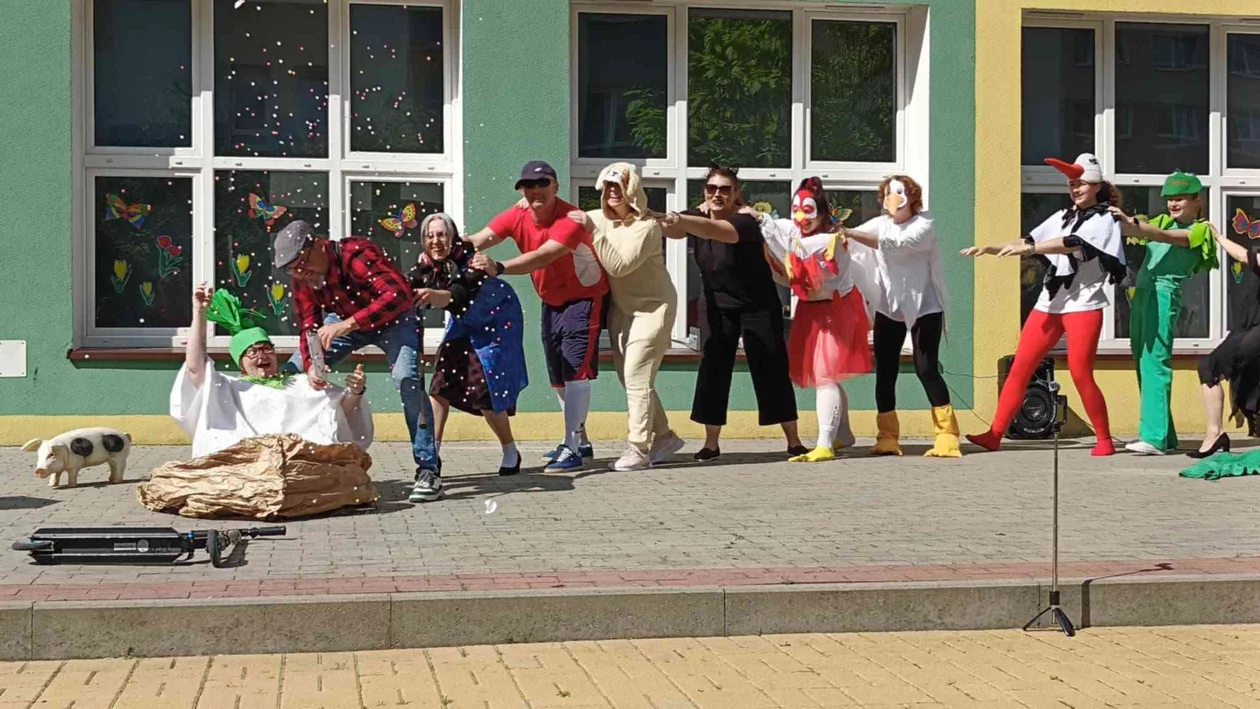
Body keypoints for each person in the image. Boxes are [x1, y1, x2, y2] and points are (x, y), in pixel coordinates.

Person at [962, 153, 1127, 456]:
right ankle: (994, 434)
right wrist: (991, 247)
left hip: (1084, 304)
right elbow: (1027, 241)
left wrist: (1030, 249)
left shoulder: (1106, 219)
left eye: (1081, 183)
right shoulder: (1063, 216)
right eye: (1072, 184)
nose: (1075, 189)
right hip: (1050, 302)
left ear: (1096, 185)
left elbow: (1071, 243)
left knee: (1080, 372)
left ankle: (1104, 439)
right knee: (1020, 368)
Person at [271, 220, 442, 502]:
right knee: (293, 372)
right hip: (346, 321)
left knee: (407, 379)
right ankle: (288, 460)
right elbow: (309, 326)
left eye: (302, 264)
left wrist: (347, 324)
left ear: (318, 245)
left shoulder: (355, 254)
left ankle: (428, 468)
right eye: (292, 269)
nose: (301, 273)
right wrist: (312, 363)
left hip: (396, 319)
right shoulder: (303, 278)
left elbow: (398, 295)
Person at [466, 160, 610, 472]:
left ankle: (571, 447)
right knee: (558, 379)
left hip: (583, 300)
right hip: (551, 301)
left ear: (555, 186)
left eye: (542, 184)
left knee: (575, 372)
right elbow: (481, 238)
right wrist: (444, 246)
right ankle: (581, 441)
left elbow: (544, 256)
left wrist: (498, 267)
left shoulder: (570, 218)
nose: (535, 191)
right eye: (529, 186)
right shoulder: (517, 213)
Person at [659, 165, 805, 461]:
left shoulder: (745, 221)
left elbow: (715, 231)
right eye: (711, 188)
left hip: (758, 304)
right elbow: (671, 230)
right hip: (716, 304)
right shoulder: (696, 216)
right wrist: (653, 216)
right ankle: (711, 444)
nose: (717, 194)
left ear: (736, 192)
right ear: (704, 191)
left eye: (725, 189)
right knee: (713, 368)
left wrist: (682, 218)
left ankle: (794, 440)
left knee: (771, 367)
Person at [172, 283, 372, 459]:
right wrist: (199, 313)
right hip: (245, 463)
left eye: (267, 349)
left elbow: (337, 410)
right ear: (241, 363)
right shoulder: (228, 387)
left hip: (296, 461)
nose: (262, 355)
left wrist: (355, 392)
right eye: (252, 352)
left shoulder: (300, 383)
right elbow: (195, 367)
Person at [752, 177, 873, 462]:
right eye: (796, 209)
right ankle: (843, 434)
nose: (800, 217)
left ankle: (825, 443)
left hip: (835, 311)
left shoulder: (831, 240)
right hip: (812, 311)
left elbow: (795, 249)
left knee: (825, 376)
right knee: (826, 375)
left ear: (822, 212)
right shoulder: (801, 234)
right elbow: (787, 237)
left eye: (808, 210)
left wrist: (763, 221)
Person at [574, 162, 686, 471]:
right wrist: (530, 203)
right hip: (623, 309)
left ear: (632, 190)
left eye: (619, 186)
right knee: (631, 378)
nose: (613, 192)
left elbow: (619, 266)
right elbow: (562, 218)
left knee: (637, 375)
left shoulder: (647, 227)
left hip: (654, 308)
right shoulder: (597, 218)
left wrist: (592, 230)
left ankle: (638, 449)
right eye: (608, 186)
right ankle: (665, 437)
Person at [845, 175, 959, 457]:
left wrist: (848, 233)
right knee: (885, 371)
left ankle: (947, 434)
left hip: (925, 306)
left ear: (912, 197)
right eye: (887, 193)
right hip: (890, 306)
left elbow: (895, 244)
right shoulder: (880, 224)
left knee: (926, 367)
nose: (892, 199)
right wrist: (831, 232)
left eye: (898, 192)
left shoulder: (925, 224)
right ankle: (887, 436)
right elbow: (851, 240)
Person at [410, 212, 529, 476]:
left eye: (442, 235)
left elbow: (458, 296)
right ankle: (432, 455)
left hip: (497, 322)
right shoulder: (428, 264)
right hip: (465, 324)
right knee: (439, 386)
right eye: (430, 236)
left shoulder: (473, 261)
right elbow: (409, 285)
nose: (436, 241)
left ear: (452, 237)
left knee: (486, 391)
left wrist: (431, 294)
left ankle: (510, 449)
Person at [1110, 171, 1217, 455]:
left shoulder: (1201, 230)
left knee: (1155, 361)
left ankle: (1154, 438)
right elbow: (1137, 230)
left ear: (1197, 201)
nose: (1173, 203)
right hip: (1143, 294)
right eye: (1169, 199)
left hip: (1163, 295)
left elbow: (1162, 236)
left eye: (1180, 198)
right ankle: (1165, 435)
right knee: (1142, 359)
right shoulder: (1162, 220)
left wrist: (1134, 224)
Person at [1188, 219, 1260, 458]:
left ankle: (1218, 431)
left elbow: (1243, 256)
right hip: (1246, 327)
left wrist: (1218, 237)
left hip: (1256, 330)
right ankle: (1216, 433)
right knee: (1211, 367)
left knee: (1215, 367)